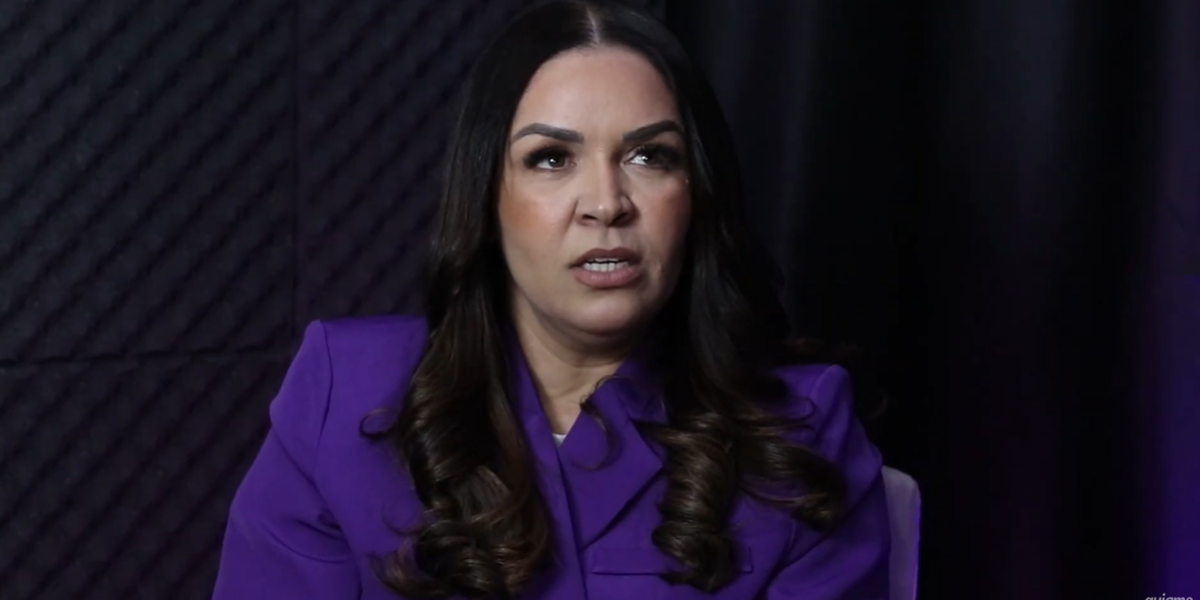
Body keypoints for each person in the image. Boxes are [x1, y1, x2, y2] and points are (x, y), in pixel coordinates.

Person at [211, 1, 889, 598]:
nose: (606, 203)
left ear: (696, 194)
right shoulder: (341, 394)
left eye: (649, 156)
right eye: (551, 159)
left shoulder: (804, 429)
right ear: (487, 198)